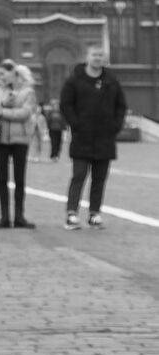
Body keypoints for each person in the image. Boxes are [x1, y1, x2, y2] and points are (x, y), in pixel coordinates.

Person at [59, 45, 127, 230]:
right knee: (79, 176)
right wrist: (76, 124)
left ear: (104, 59)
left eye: (100, 55)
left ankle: (94, 214)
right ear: (87, 57)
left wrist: (115, 126)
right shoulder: (74, 80)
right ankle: (72, 214)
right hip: (82, 137)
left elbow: (121, 106)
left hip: (105, 138)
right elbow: (65, 104)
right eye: (94, 55)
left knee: (99, 179)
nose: (97, 58)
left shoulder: (111, 81)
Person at [0, 60, 39, 229]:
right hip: (0, 139)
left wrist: (2, 112)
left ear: (14, 73)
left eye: (3, 74)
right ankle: (5, 217)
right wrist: (2, 104)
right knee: (2, 179)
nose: (0, 77)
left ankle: (19, 217)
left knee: (20, 179)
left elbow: (25, 113)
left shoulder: (28, 92)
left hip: (20, 139)